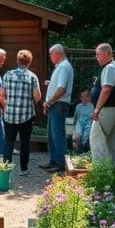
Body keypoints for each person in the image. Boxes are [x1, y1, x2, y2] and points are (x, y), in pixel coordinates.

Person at [2, 49, 41, 175]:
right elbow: (37, 97)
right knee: (25, 142)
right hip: (26, 115)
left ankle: (6, 169)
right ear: (29, 62)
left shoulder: (8, 75)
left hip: (9, 114)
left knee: (8, 141)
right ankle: (24, 169)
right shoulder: (32, 77)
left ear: (18, 61)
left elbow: (2, 94)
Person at [39, 44, 74, 173]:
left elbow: (62, 89)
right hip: (57, 104)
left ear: (58, 53)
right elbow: (60, 86)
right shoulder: (61, 67)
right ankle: (54, 160)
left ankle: (59, 163)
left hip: (58, 104)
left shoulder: (64, 67)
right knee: (52, 135)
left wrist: (49, 102)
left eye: (51, 54)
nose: (50, 57)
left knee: (57, 135)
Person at [89, 43, 115, 163]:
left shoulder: (109, 67)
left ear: (105, 53)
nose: (96, 57)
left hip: (107, 109)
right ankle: (113, 169)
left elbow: (106, 89)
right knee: (111, 140)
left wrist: (97, 109)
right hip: (114, 108)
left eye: (98, 54)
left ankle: (99, 171)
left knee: (96, 139)